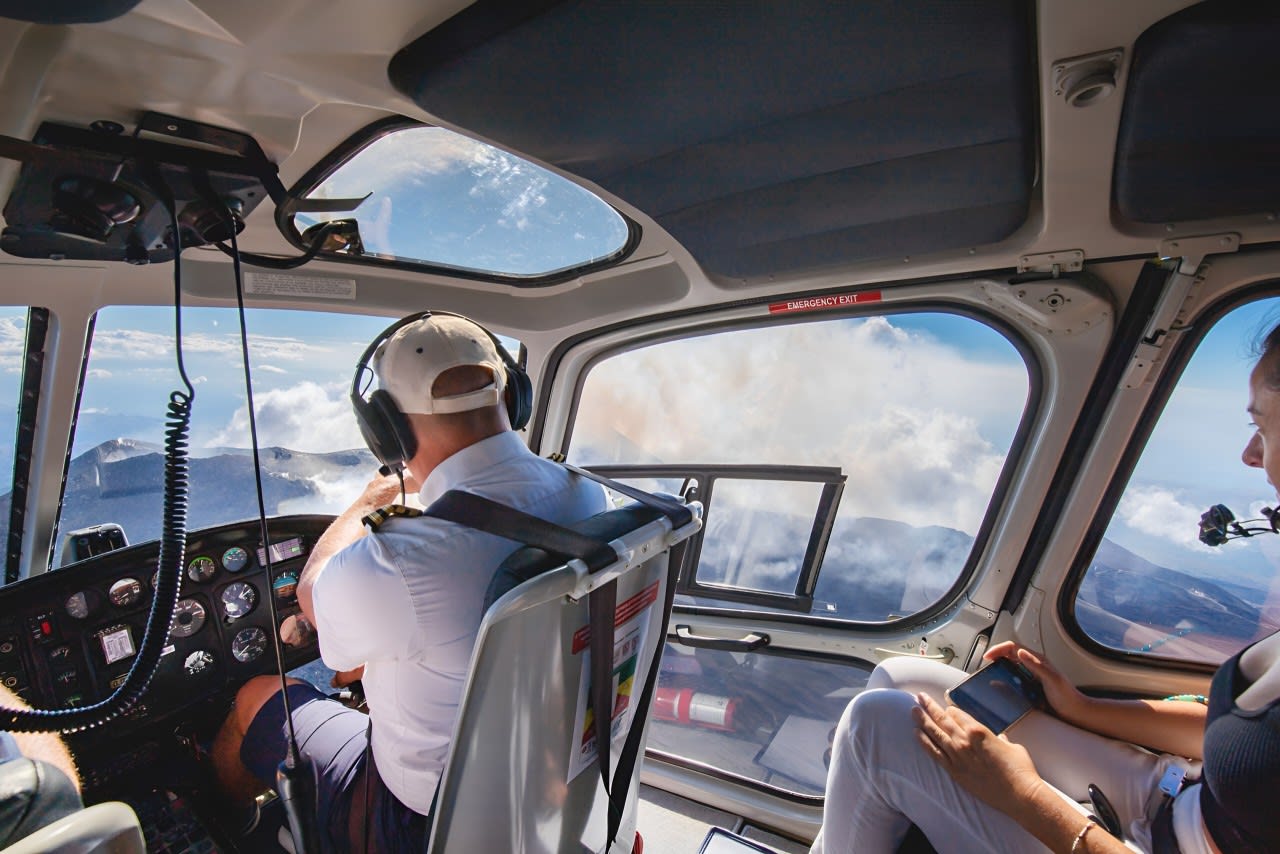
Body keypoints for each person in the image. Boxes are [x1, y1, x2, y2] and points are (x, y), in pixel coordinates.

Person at [811, 323, 1280, 854]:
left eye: (1261, 424)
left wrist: (1024, 794)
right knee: (900, 677)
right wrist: (1078, 706)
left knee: (876, 728)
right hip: (1177, 789)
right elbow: (1224, 733)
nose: (1248, 453)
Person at [209, 314, 607, 851]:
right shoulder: (587, 497)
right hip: (547, 782)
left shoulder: (402, 559)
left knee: (257, 695)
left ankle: (229, 829)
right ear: (514, 395)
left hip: (420, 822)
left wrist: (370, 500)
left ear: (387, 431)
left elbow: (313, 598)